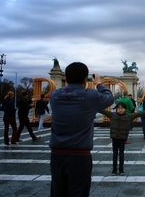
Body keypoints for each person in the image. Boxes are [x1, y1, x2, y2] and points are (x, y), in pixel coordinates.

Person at [49, 62, 114, 197]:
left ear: (65, 79)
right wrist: (99, 84)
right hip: (80, 155)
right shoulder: (90, 96)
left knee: (58, 193)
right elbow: (109, 98)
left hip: (56, 155)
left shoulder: (54, 96)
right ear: (86, 80)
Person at [100, 102, 145, 176]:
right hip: (114, 137)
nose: (120, 110)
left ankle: (121, 170)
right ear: (116, 109)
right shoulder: (112, 115)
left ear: (125, 109)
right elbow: (103, 111)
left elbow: (138, 114)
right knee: (115, 154)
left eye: (122, 108)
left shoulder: (128, 117)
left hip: (122, 138)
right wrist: (93, 108)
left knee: (121, 154)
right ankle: (114, 170)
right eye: (119, 108)